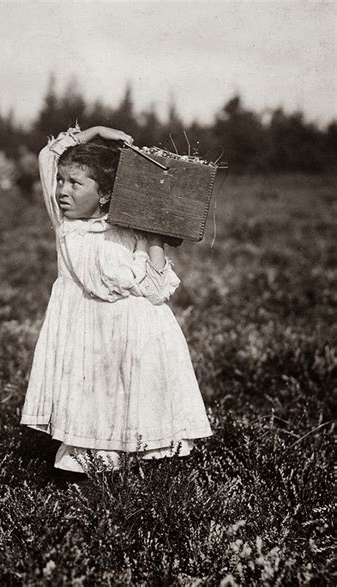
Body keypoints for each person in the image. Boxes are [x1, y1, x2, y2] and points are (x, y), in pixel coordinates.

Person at [20, 124, 212, 474]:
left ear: (105, 195)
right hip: (86, 333)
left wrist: (154, 237)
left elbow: (157, 291)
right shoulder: (65, 225)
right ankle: (87, 476)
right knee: (93, 403)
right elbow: (48, 157)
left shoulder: (130, 230)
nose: (63, 190)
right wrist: (93, 132)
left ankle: (143, 476)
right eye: (62, 181)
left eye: (76, 184)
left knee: (135, 401)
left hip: (136, 334)